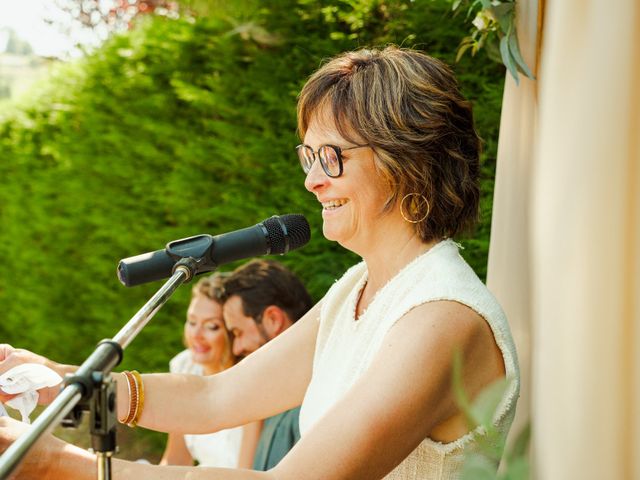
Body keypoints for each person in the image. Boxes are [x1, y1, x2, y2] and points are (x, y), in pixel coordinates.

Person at [0, 46, 519, 479]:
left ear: (407, 161)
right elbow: (212, 398)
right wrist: (57, 381)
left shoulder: (441, 320)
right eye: (309, 157)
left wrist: (56, 464)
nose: (312, 181)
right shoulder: (361, 289)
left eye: (332, 157)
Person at [160, 273, 261, 468]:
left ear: (232, 330)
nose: (196, 335)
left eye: (211, 326)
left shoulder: (250, 380)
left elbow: (245, 473)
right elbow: (176, 459)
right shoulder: (184, 366)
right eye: (192, 322)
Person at [220, 259, 313, 471]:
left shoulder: (312, 403)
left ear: (273, 319)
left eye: (238, 333)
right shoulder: (272, 397)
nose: (236, 348)